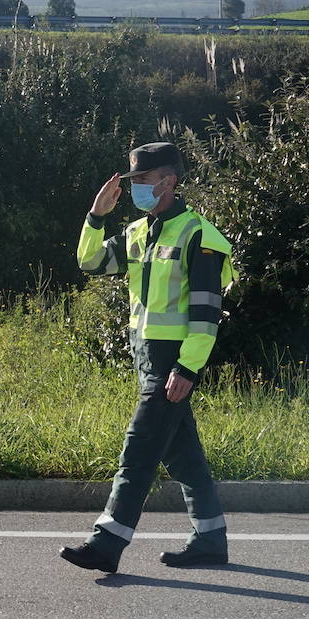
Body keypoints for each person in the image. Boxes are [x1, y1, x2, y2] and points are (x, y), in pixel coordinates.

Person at [61, 142, 237, 574]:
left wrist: (187, 367)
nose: (136, 187)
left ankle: (106, 543)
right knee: (183, 456)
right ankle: (211, 540)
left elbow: (206, 311)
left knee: (138, 452)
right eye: (134, 180)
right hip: (146, 357)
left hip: (172, 362)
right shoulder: (141, 232)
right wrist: (96, 216)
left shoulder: (199, 235)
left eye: (141, 180)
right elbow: (91, 262)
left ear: (168, 181)